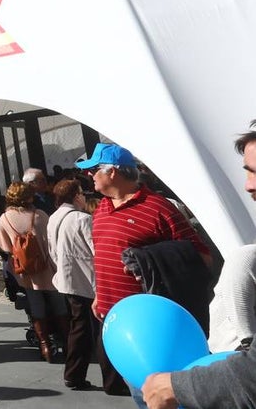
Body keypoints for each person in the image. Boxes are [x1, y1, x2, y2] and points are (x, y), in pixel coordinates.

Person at [78, 143, 210, 398]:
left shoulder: (158, 207)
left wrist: (151, 260)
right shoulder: (102, 208)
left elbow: (202, 257)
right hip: (115, 318)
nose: (89, 175)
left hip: (150, 323)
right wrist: (99, 294)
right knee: (136, 388)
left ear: (112, 172)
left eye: (93, 170)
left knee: (156, 392)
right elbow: (104, 255)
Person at [142, 128, 256, 408]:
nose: (248, 186)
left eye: (255, 173)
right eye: (247, 172)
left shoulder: (243, 257)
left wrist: (175, 386)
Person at [0, 181, 64, 363]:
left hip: (26, 272)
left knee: (36, 308)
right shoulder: (40, 215)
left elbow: (2, 244)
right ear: (29, 197)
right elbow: (52, 241)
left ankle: (45, 346)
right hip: (47, 268)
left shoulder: (5, 219)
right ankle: (68, 343)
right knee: (59, 306)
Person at [46, 178, 97, 391]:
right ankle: (78, 375)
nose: (84, 197)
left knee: (79, 326)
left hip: (67, 280)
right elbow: (96, 250)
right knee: (88, 329)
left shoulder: (54, 217)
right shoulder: (82, 219)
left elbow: (51, 249)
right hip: (86, 281)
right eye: (82, 193)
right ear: (76, 196)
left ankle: (74, 374)